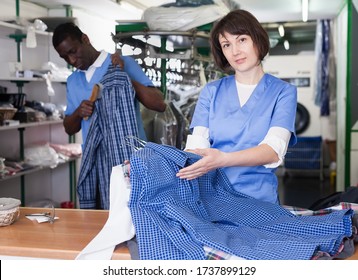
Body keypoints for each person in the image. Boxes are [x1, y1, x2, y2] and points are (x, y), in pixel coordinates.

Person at [176, 9, 297, 204]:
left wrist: (223, 159)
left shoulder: (283, 92)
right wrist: (158, 163)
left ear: (257, 39)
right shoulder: (211, 91)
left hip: (259, 202)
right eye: (226, 45)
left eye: (241, 40)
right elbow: (196, 148)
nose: (235, 51)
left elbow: (273, 150)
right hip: (213, 199)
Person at [52, 22, 166, 147]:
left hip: (130, 155)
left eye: (73, 51)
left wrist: (123, 77)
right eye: (65, 57)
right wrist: (79, 112)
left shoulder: (121, 63)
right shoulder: (73, 81)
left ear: (85, 39)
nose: (71, 60)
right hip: (97, 159)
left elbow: (159, 104)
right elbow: (69, 129)